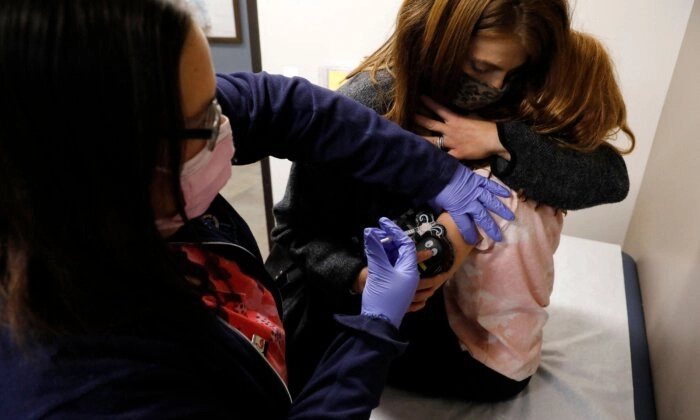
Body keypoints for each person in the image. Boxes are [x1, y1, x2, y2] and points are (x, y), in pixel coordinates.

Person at [0, 0, 517, 418]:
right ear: (107, 162)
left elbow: (280, 105)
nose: (228, 123)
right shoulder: (91, 389)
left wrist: (449, 173)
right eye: (206, 119)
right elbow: (298, 233)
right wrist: (371, 317)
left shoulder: (117, 167)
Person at [268, 0, 635, 401]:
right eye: (481, 68)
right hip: (340, 304)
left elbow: (610, 178)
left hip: (439, 323)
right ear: (438, 41)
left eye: (512, 72)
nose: (495, 86)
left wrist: (500, 139)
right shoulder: (364, 108)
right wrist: (360, 277)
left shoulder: (507, 102)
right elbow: (294, 232)